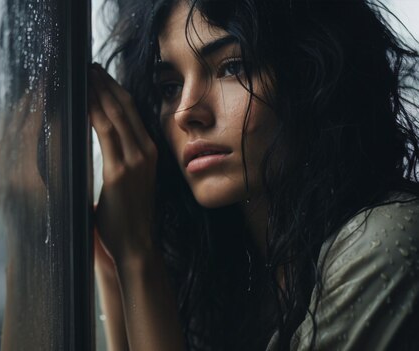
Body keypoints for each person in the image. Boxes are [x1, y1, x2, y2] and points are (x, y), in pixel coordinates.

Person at [88, 0, 419, 350]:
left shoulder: (383, 244)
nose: (186, 112)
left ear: (311, 73)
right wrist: (115, 268)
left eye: (233, 68)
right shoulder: (232, 276)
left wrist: (138, 255)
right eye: (169, 87)